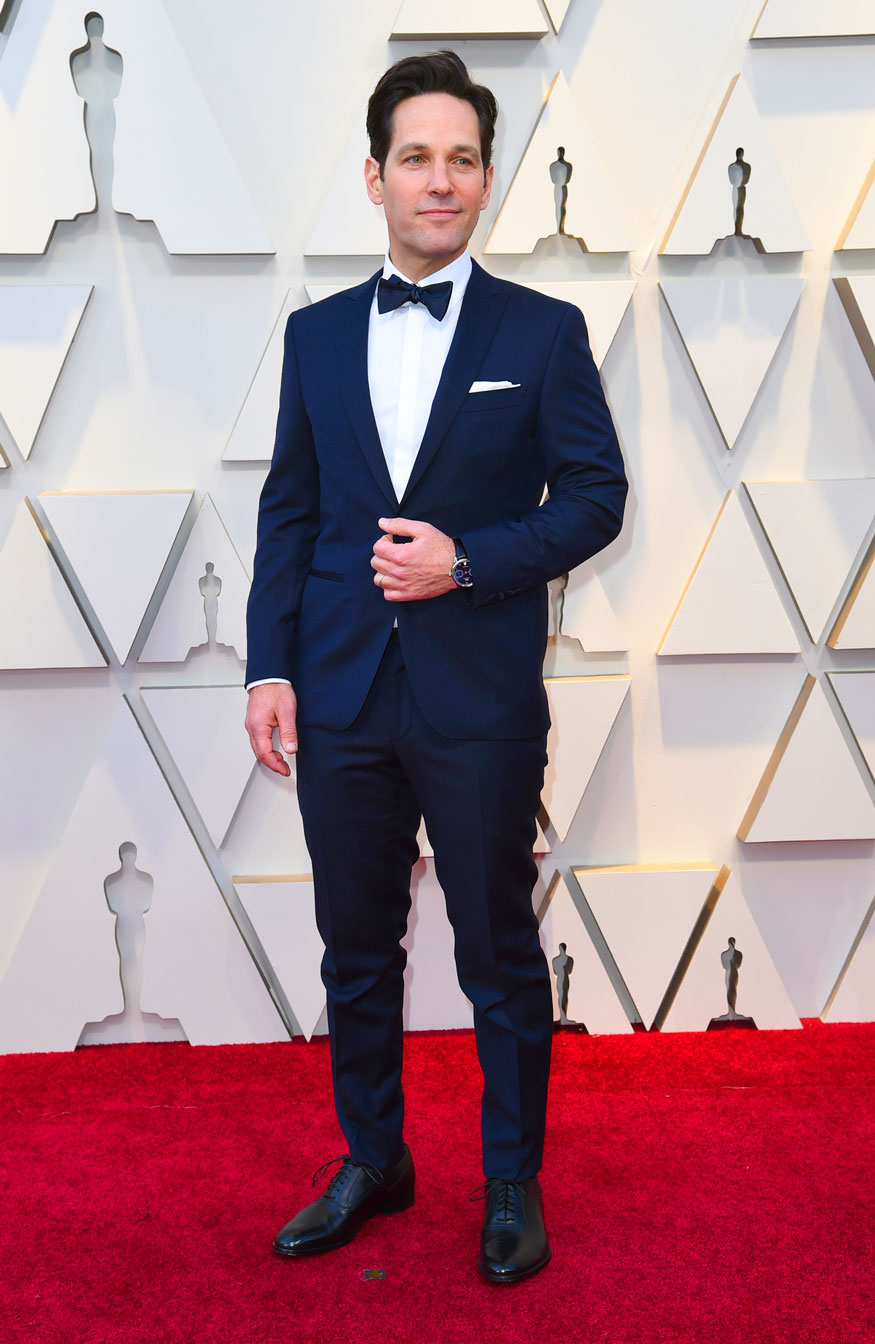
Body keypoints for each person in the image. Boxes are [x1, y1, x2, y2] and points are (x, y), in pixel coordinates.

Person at [243, 51, 627, 1284]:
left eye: (462, 158)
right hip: (341, 689)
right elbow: (289, 517)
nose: (440, 179)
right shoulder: (310, 338)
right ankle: (375, 1159)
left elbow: (595, 498)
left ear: (486, 177)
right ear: (375, 176)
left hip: (478, 698)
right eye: (417, 156)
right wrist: (267, 668)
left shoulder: (543, 331)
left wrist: (467, 563)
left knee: (495, 950)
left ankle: (508, 1178)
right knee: (355, 947)